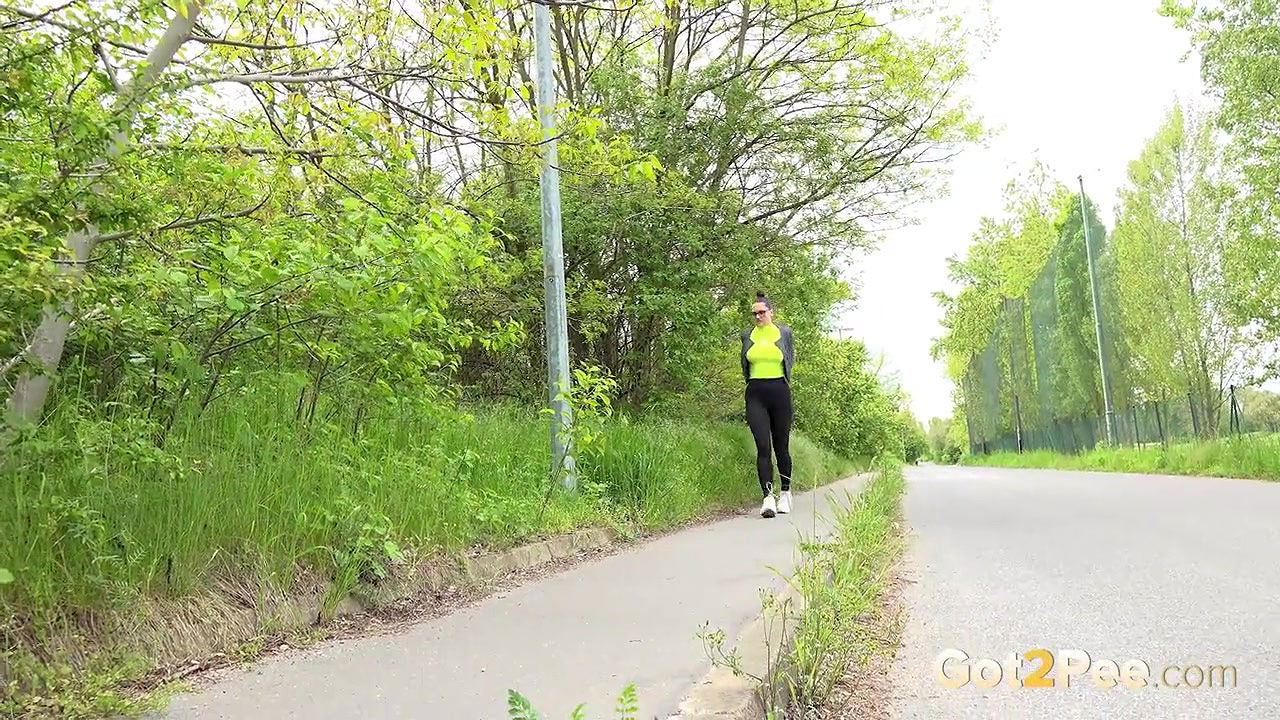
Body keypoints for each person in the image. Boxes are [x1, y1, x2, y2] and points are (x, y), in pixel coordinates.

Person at [741, 290, 795, 518]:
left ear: (771, 312)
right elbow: (744, 363)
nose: (758, 317)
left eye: (762, 312)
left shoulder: (784, 333)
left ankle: (785, 492)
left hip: (780, 392)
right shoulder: (747, 335)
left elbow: (790, 358)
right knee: (763, 446)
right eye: (755, 313)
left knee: (781, 446)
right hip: (755, 392)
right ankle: (767, 498)